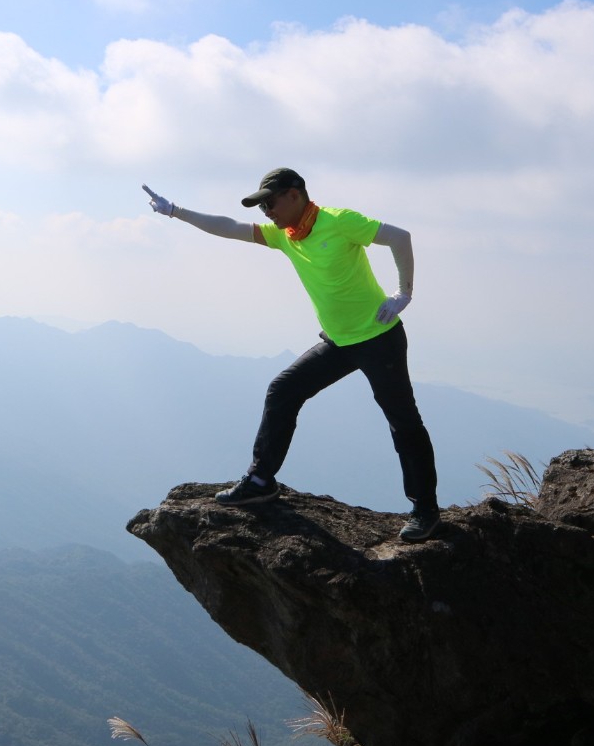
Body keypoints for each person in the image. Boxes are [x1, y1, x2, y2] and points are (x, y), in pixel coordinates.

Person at [144, 167, 442, 542]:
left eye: (270, 202)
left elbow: (400, 237)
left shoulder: (339, 220)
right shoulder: (286, 236)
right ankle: (260, 480)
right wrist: (176, 211)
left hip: (378, 338)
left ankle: (426, 510)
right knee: (283, 389)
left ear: (295, 195)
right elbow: (229, 227)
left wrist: (404, 294)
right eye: (261, 205)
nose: (266, 211)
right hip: (338, 341)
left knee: (402, 420)